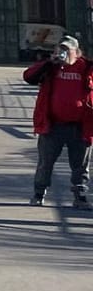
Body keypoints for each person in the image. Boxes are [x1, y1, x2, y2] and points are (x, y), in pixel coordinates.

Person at [21, 35, 92, 208]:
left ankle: (80, 195)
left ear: (77, 52)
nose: (63, 53)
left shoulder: (86, 68)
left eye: (67, 50)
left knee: (80, 165)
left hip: (80, 126)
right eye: (60, 49)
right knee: (45, 162)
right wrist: (48, 63)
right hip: (53, 125)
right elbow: (29, 77)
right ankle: (39, 193)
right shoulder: (50, 68)